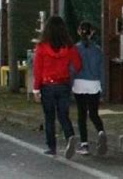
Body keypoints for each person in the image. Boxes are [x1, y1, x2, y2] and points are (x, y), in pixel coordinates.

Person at [32, 16, 81, 159]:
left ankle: (51, 147)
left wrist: (36, 89)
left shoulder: (41, 47)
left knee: (49, 117)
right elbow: (77, 65)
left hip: (47, 85)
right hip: (63, 84)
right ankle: (69, 136)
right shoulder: (69, 46)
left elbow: (37, 69)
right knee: (63, 115)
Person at [72, 21, 107, 156]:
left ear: (78, 31)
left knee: (81, 115)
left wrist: (69, 84)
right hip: (94, 84)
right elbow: (102, 71)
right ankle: (101, 132)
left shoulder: (75, 49)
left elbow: (72, 68)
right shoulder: (98, 50)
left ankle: (84, 145)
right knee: (93, 113)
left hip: (79, 83)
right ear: (92, 33)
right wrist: (103, 88)